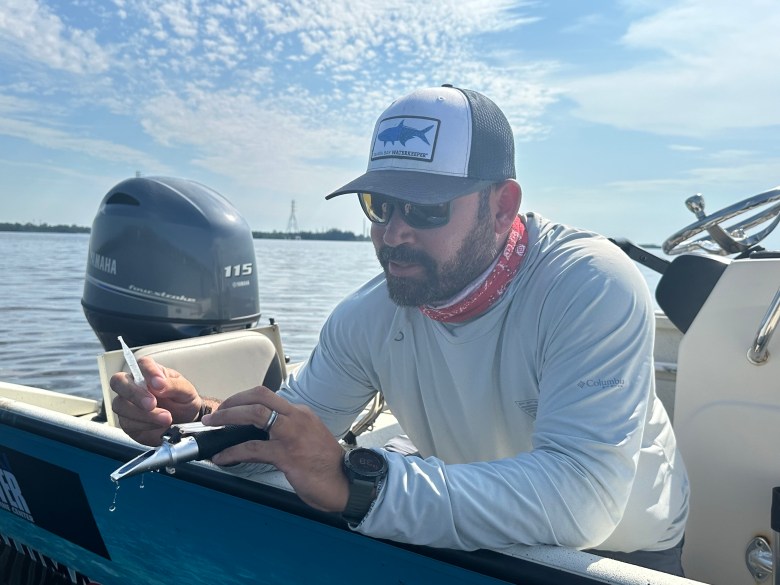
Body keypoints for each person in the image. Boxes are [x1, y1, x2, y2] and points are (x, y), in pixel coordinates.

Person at [111, 85, 689, 576]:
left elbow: (583, 499)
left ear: (501, 206)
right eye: (379, 205)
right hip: (477, 545)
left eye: (426, 209)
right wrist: (194, 423)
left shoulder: (586, 284)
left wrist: (356, 483)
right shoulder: (368, 316)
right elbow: (280, 444)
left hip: (618, 561)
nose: (394, 233)